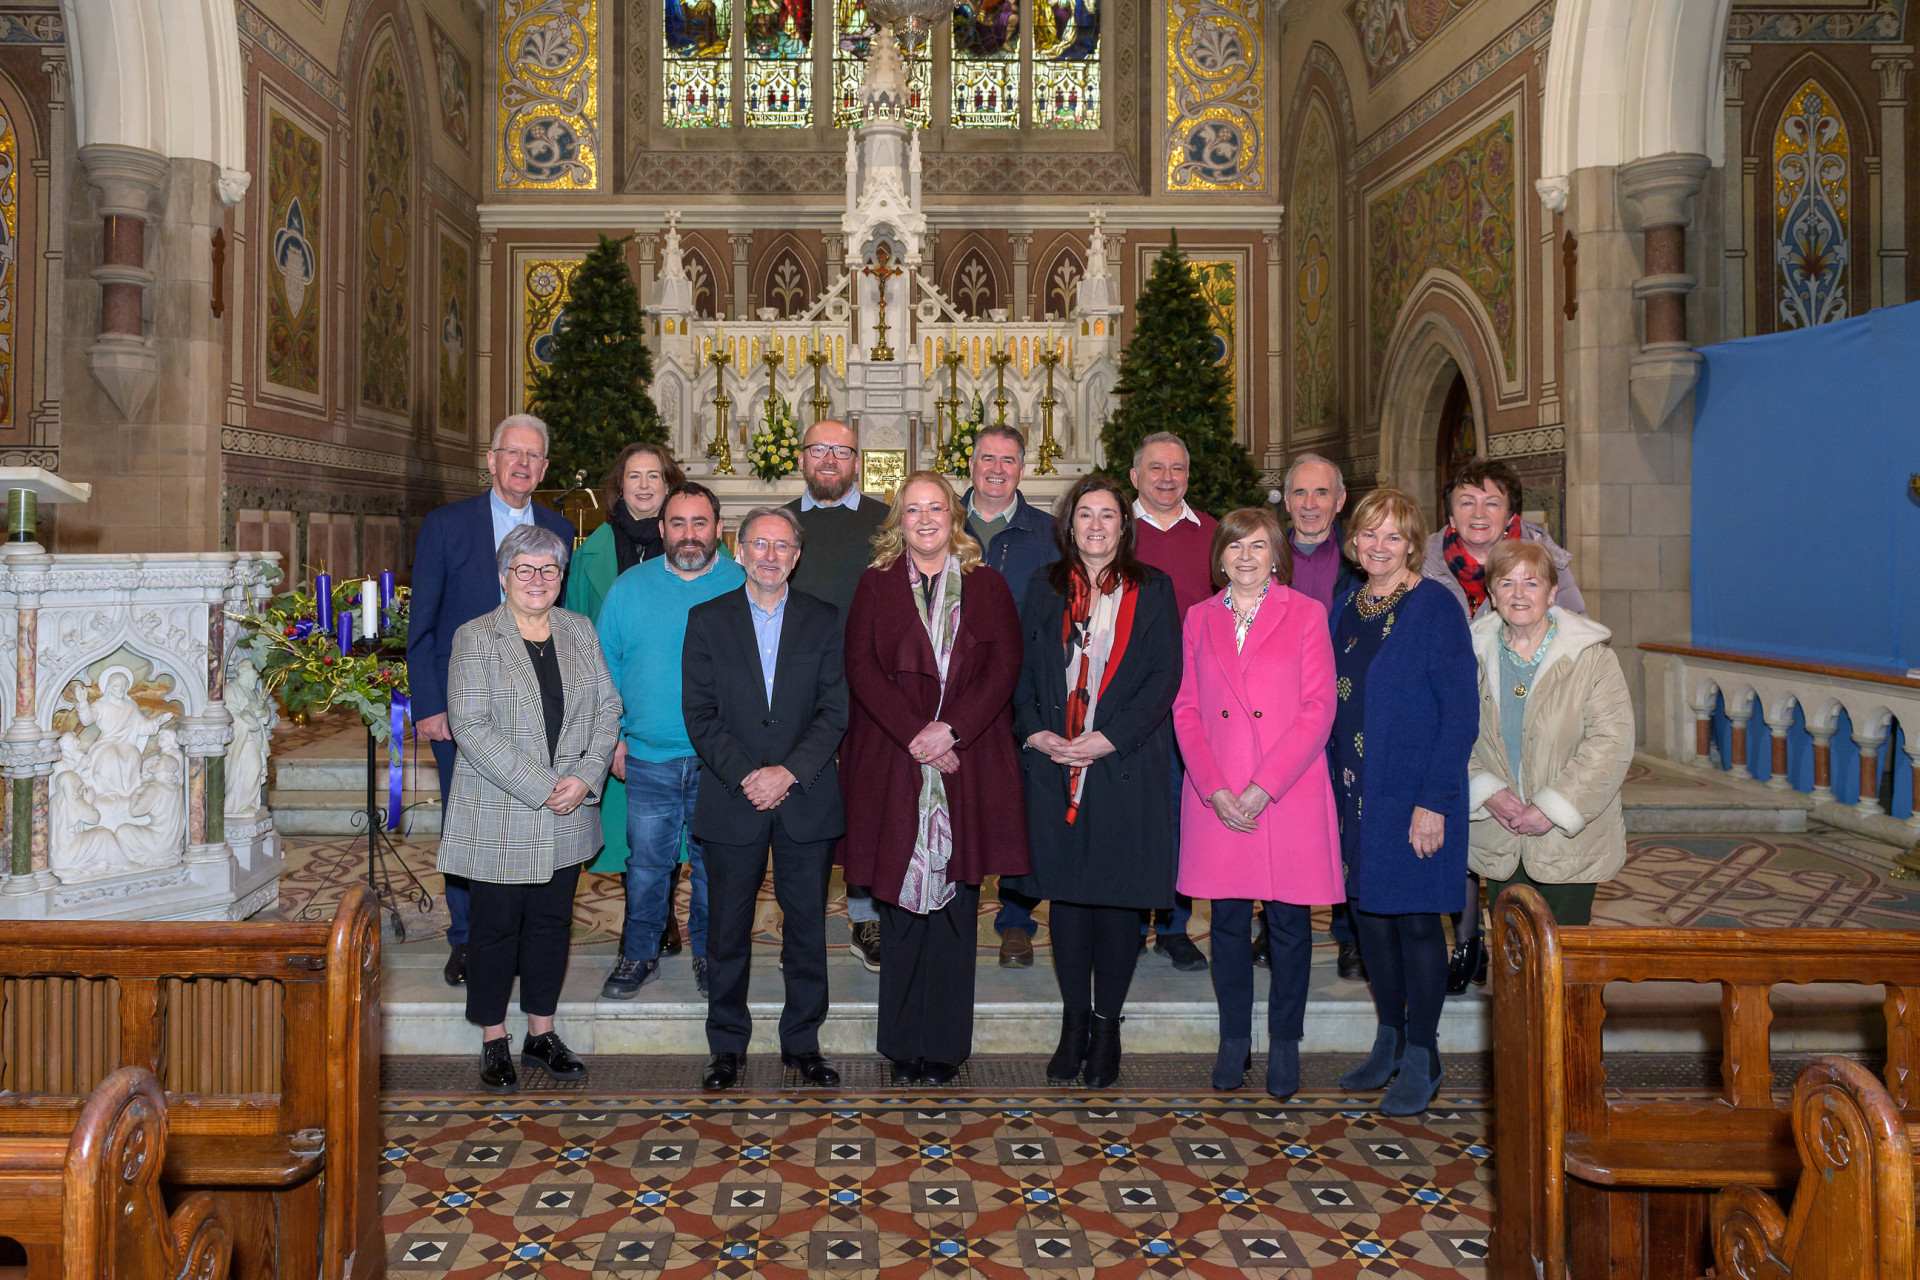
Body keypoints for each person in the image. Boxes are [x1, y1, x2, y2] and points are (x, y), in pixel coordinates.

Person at [840, 471, 1028, 1086]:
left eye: (936, 509)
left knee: (955, 912)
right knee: (896, 910)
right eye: (913, 510)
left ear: (954, 516)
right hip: (894, 765)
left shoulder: (988, 584)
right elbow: (861, 668)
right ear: (899, 519)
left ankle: (944, 1048)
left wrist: (951, 731)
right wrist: (915, 734)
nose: (925, 519)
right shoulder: (874, 585)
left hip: (965, 764)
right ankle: (901, 1046)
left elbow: (1004, 668)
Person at [1009, 474, 1183, 1090]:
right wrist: (1037, 734)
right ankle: (1073, 1025)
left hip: (1122, 766)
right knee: (1069, 900)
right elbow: (1021, 672)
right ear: (1069, 523)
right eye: (1086, 515)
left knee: (1115, 902)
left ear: (1124, 526)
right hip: (1057, 766)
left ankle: (1107, 1027)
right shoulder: (1043, 586)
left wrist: (1106, 739)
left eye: (1109, 515)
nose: (1097, 526)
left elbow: (1165, 677)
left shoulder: (1155, 589)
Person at [437, 525, 621, 1094]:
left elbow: (608, 708)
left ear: (562, 579)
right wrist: (544, 785)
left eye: (549, 571)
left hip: (568, 813)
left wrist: (586, 777)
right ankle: (494, 1038)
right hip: (501, 813)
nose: (538, 580)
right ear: (503, 576)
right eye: (525, 570)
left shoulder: (579, 630)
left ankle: (541, 1033)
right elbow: (471, 727)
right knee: (494, 932)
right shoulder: (475, 637)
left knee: (549, 928)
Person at [1172, 507, 1340, 1100]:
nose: (1246, 557)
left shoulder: (1306, 613)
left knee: (1291, 923)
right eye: (1235, 547)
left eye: (1259, 546)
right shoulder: (1198, 618)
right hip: (1218, 793)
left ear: (1277, 555)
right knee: (1226, 924)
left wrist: (1262, 787)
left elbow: (1319, 709)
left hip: (1285, 790)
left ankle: (1285, 1042)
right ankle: (1234, 1040)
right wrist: (1214, 786)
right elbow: (1186, 708)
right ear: (1219, 557)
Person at [682, 506, 850, 1091]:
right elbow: (700, 715)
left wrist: (788, 772)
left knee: (807, 930)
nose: (771, 556)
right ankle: (727, 1047)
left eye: (782, 546)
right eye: (760, 545)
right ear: (739, 550)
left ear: (797, 556)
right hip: (734, 796)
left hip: (806, 797)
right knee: (727, 932)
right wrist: (750, 774)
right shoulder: (706, 620)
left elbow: (835, 711)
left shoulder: (826, 621)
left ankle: (802, 1043)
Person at [409, 414, 575, 988]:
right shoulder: (447, 525)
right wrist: (430, 705)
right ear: (491, 459)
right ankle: (468, 938)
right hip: (465, 711)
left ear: (545, 468)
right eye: (514, 454)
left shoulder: (559, 528)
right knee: (470, 822)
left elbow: (563, 623)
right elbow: (422, 624)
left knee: (536, 821)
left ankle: (526, 934)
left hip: (540, 711)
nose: (523, 465)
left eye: (534, 457)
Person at [1330, 488, 1477, 1116]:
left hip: (1414, 794)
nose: (1380, 546)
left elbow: (1461, 714)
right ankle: (1388, 1038)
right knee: (1370, 923)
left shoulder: (1435, 607)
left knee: (1416, 924)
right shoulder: (1344, 607)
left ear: (1413, 544)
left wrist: (1434, 801)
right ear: (1354, 542)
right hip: (1354, 793)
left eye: (1393, 536)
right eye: (1369, 534)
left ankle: (1424, 1053)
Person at [1420, 458, 1586, 993]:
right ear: (1448, 511)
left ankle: (1515, 939)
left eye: (1492, 502)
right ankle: (1467, 942)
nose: (1479, 513)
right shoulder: (1423, 561)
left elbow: (1578, 634)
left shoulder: (1547, 558)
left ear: (1511, 510)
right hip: (1448, 713)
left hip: (1522, 714)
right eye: (1466, 501)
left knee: (1513, 825)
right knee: (1461, 828)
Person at [596, 483, 746, 1001]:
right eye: (677, 523)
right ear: (661, 530)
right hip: (648, 755)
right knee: (646, 866)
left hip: (721, 761)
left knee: (713, 867)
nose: (689, 535)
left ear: (718, 529)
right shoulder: (629, 588)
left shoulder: (743, 583)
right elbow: (604, 668)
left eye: (700, 523)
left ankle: (708, 954)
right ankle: (639, 953)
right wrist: (611, 737)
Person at [564, 442, 693, 955]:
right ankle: (645, 914)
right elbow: (574, 634)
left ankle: (662, 912)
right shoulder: (590, 551)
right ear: (619, 487)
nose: (644, 485)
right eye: (634, 477)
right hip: (611, 706)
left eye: (655, 477)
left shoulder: (696, 543)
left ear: (669, 485)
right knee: (624, 828)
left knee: (676, 826)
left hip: (675, 707)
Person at [1467, 540, 1634, 925]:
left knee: (1566, 965)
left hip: (1567, 840)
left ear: (1553, 592)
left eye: (1532, 583)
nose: (1519, 594)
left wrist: (1552, 807)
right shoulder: (1469, 655)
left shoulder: (1592, 659)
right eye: (1507, 583)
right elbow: (1451, 734)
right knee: (1512, 963)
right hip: (1499, 832)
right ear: (1492, 595)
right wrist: (1487, 792)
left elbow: (1611, 742)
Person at [785, 418, 890, 972]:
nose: (829, 460)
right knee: (804, 801)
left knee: (867, 804)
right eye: (819, 450)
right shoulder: (778, 524)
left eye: (841, 451)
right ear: (802, 458)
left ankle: (866, 914)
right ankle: (800, 918)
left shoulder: (884, 521)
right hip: (799, 694)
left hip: (872, 690)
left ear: (857, 461)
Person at [958, 423, 1060, 970]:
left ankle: (1016, 920)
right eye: (987, 458)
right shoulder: (939, 521)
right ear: (970, 464)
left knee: (1021, 804)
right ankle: (952, 907)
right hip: (951, 689)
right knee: (956, 797)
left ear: (1023, 469)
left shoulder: (1047, 532)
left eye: (1009, 460)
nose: (997, 469)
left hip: (1025, 688)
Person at [1126, 431, 1216, 974]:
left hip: (1196, 697)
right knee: (1136, 809)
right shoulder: (1114, 529)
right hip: (1130, 697)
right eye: (1155, 468)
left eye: (1177, 469)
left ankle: (1178, 925)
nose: (1166, 478)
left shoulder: (1212, 533)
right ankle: (1134, 922)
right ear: (1134, 476)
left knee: (1184, 811)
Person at [1282, 453, 1366, 981]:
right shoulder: (1260, 555)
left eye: (1321, 494)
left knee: (1347, 819)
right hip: (1277, 711)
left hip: (1347, 710)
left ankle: (1350, 933)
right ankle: (1277, 926)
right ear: (1285, 500)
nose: (1310, 505)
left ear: (1339, 501)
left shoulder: (1365, 561)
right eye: (1299, 494)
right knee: (1279, 819)